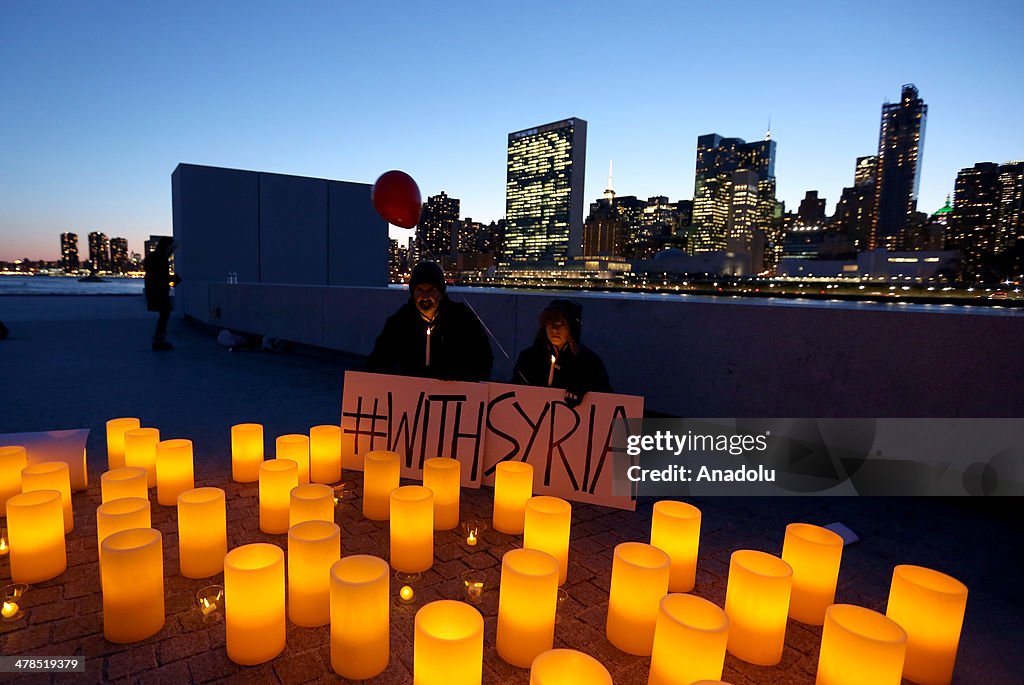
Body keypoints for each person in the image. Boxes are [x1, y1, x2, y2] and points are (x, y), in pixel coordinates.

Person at [368, 261, 493, 381]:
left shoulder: (463, 319)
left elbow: (484, 360)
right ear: (413, 293)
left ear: (441, 292)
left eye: (431, 290)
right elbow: (377, 362)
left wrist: (456, 373)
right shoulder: (399, 322)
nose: (425, 296)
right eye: (420, 290)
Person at [511, 299, 612, 407]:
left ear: (572, 328)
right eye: (550, 323)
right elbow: (512, 391)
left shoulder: (588, 362)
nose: (555, 330)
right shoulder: (529, 358)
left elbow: (608, 399)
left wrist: (586, 389)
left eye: (561, 324)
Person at [143, 237, 180, 351]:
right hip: (159, 291)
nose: (172, 252)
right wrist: (173, 279)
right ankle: (158, 341)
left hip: (155, 290)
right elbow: (159, 276)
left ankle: (159, 340)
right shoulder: (161, 259)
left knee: (164, 315)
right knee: (164, 314)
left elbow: (155, 275)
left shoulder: (154, 258)